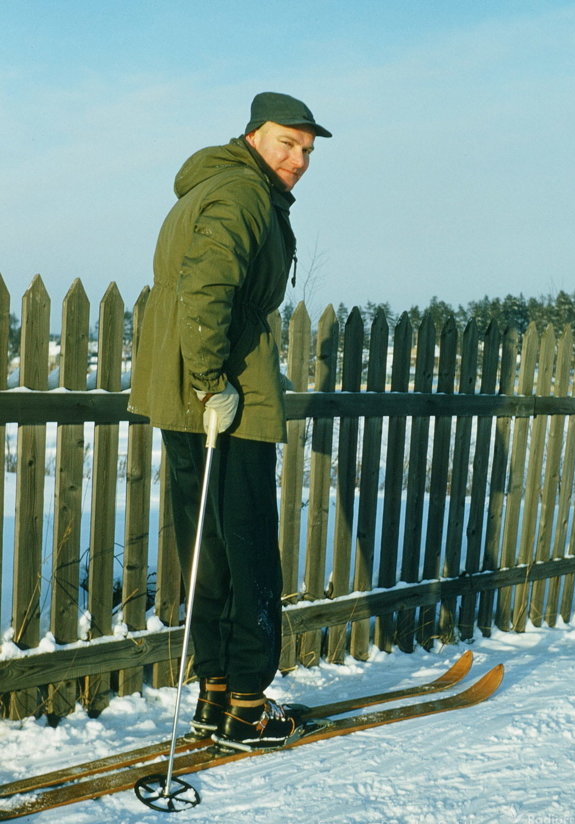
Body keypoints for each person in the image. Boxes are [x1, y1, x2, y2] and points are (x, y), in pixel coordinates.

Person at [128, 92, 331, 750]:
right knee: (248, 551)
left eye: (306, 149)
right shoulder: (242, 196)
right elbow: (208, 288)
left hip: (183, 400)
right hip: (226, 401)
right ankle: (248, 702)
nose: (297, 159)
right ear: (252, 136)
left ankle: (215, 692)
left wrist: (197, 383)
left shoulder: (211, 187)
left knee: (207, 547)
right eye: (285, 143)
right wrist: (213, 380)